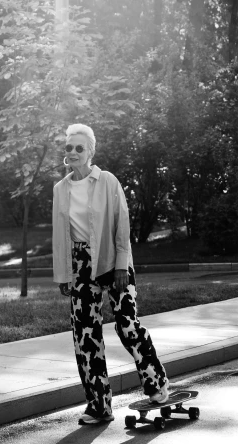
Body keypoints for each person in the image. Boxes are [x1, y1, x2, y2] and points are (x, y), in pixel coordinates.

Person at [52, 123, 170, 425]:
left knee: (127, 324)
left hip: (113, 259)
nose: (73, 152)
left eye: (80, 147)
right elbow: (59, 236)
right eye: (69, 147)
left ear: (90, 151)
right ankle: (99, 405)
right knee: (85, 335)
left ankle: (157, 384)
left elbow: (122, 225)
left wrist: (120, 265)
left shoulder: (107, 181)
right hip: (79, 264)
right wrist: (64, 275)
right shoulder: (60, 189)